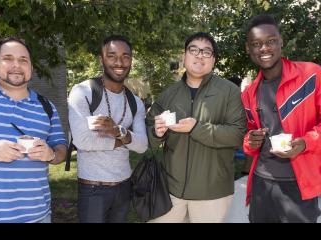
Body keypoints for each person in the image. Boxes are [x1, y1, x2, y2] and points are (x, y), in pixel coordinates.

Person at [0, 37, 67, 223]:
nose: (16, 65)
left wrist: (50, 154)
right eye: (8, 58)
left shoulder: (46, 107)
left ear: (31, 68)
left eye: (23, 60)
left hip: (37, 217)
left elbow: (61, 150)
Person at [146, 32, 246, 223]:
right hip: (169, 192)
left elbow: (237, 135)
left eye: (206, 52)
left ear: (213, 60)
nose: (199, 55)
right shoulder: (169, 94)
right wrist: (156, 132)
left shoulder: (229, 91)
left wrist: (196, 128)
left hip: (212, 195)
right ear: (184, 56)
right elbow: (147, 136)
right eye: (194, 50)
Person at [242, 14, 321, 223]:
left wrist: (304, 143)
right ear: (248, 49)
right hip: (262, 184)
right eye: (256, 44)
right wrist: (250, 140)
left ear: (281, 42)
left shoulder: (311, 75)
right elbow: (249, 137)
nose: (264, 48)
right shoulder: (250, 92)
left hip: (299, 186)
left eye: (270, 41)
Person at [68, 35, 148, 223]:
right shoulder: (83, 92)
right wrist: (125, 140)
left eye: (125, 56)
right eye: (112, 56)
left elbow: (142, 145)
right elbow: (83, 141)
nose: (119, 62)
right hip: (94, 188)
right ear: (101, 59)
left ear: (131, 60)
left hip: (124, 185)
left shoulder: (135, 102)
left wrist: (119, 131)